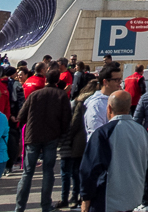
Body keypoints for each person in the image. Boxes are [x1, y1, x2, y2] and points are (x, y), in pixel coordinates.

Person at [78, 91, 148, 212]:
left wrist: (86, 198)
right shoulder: (143, 132)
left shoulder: (103, 134)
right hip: (135, 200)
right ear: (129, 108)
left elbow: (90, 169)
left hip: (107, 201)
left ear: (109, 108)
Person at [16, 69, 72, 212]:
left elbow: (21, 115)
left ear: (46, 79)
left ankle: (20, 207)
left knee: (27, 172)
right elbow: (66, 119)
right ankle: (45, 206)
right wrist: (61, 133)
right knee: (48, 171)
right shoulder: (61, 96)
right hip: (51, 136)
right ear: (57, 81)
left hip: (33, 135)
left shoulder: (35, 95)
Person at [59, 79, 96, 210]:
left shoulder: (80, 101)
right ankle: (83, 197)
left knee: (76, 170)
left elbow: (74, 122)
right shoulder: (95, 101)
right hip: (89, 139)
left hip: (79, 140)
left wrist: (70, 138)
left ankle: (74, 196)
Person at [84, 66, 123, 139]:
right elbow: (96, 134)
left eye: (120, 79)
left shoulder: (119, 99)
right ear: (105, 82)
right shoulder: (96, 105)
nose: (120, 82)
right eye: (116, 80)